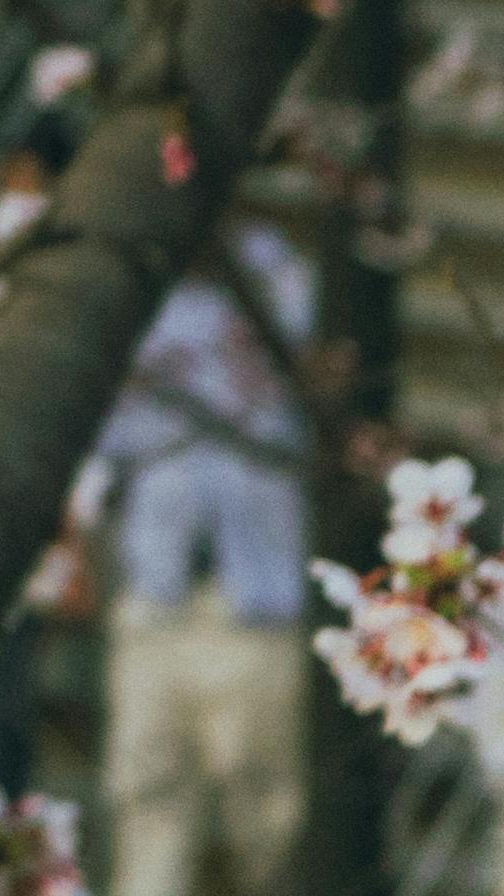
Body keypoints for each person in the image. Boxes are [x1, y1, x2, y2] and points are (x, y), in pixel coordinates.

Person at [85, 236, 315, 896]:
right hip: (157, 592)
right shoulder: (127, 288)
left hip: (257, 602)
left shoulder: (285, 282)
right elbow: (106, 437)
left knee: (267, 818)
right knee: (146, 799)